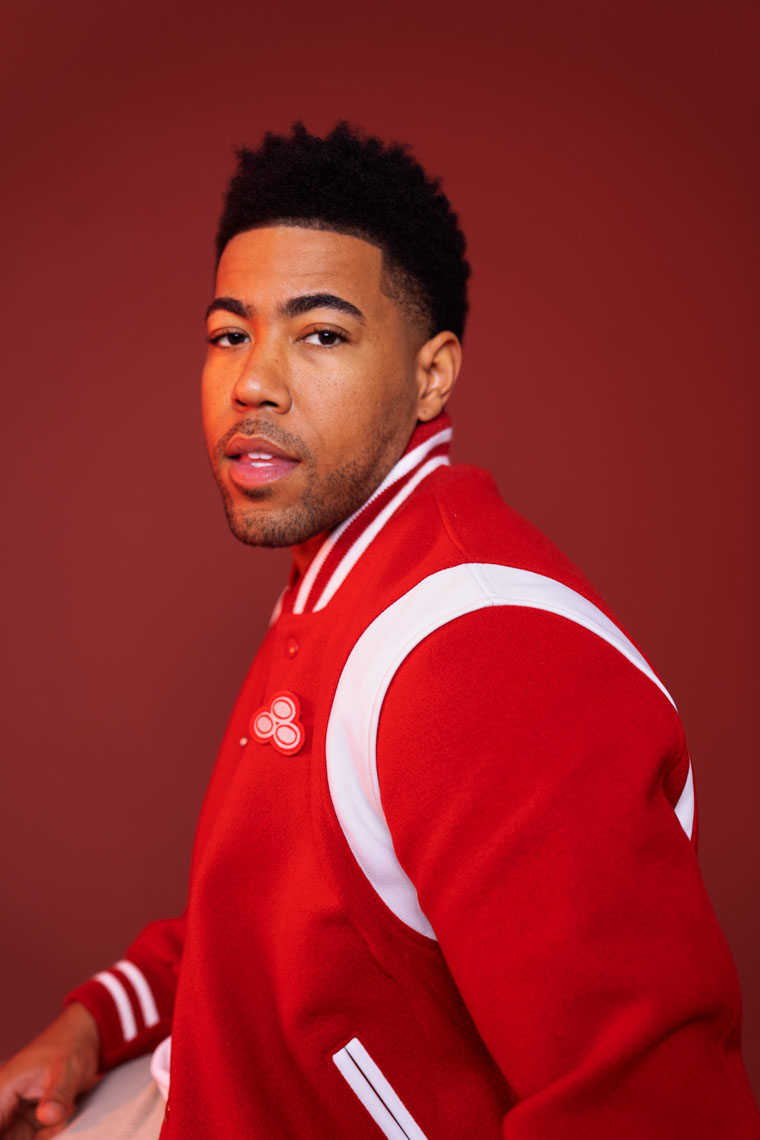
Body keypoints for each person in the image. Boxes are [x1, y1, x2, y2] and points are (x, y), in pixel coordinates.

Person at [0, 122, 757, 1140]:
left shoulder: (477, 652)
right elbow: (270, 921)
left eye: (321, 334)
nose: (252, 382)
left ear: (431, 376)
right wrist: (95, 1020)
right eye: (230, 332)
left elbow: (650, 1108)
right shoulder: (334, 574)